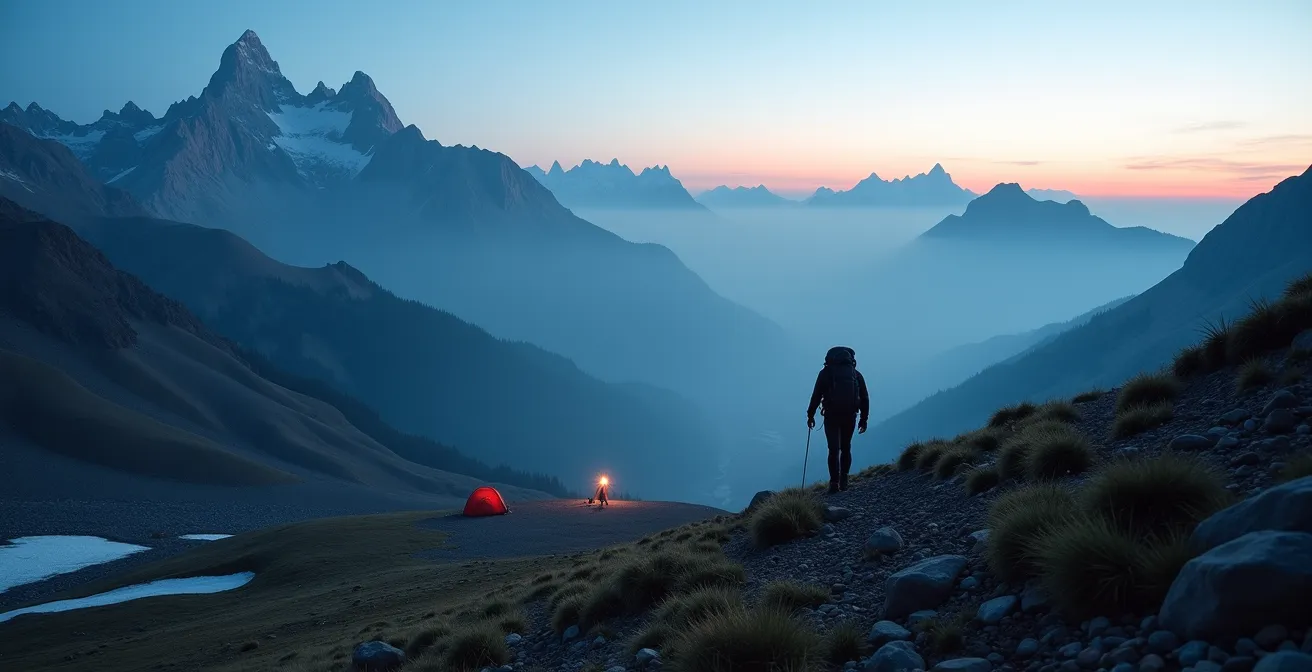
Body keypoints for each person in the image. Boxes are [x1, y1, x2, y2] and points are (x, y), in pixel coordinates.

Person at [806, 346, 870, 493]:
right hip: (850, 415)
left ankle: (834, 483)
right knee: (846, 447)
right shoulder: (855, 374)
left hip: (831, 416)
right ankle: (844, 480)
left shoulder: (825, 373)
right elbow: (865, 398)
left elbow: (816, 395)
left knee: (833, 449)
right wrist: (864, 419)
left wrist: (810, 415)